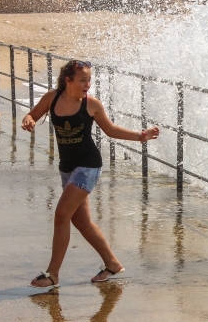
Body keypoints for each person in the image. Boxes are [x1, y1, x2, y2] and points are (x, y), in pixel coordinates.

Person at [21, 60, 159, 290]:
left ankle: (53, 274)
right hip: (67, 167)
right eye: (82, 80)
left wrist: (141, 135)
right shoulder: (52, 98)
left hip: (88, 166)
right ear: (69, 81)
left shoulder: (91, 104)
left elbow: (111, 130)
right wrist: (28, 120)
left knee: (62, 214)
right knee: (82, 222)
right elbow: (32, 115)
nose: (87, 84)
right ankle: (113, 264)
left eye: (89, 80)